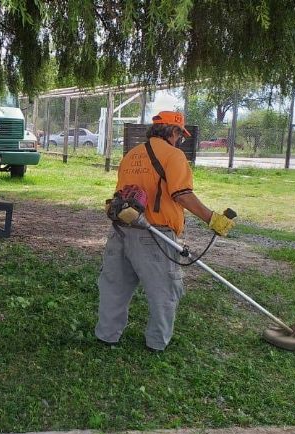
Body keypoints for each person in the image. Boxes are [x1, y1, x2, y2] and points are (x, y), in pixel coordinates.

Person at [95, 111, 235, 352]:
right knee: (164, 291)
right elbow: (182, 194)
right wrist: (212, 219)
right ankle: (157, 343)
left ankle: (107, 336)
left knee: (114, 286)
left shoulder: (131, 155)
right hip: (154, 234)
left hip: (120, 228)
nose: (181, 139)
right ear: (174, 132)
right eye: (181, 134)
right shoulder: (174, 155)